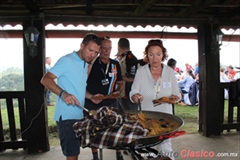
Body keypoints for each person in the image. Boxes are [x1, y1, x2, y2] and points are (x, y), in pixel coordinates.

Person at [40, 33, 102, 160]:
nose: (93, 54)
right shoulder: (67, 60)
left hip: (78, 115)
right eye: (90, 50)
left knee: (75, 153)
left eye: (96, 52)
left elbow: (78, 87)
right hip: (67, 117)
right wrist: (63, 94)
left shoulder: (85, 63)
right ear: (82, 46)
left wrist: (91, 97)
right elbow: (45, 80)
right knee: (72, 156)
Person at [129, 39, 181, 160]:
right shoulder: (141, 72)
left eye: (158, 54)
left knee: (166, 149)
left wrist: (175, 98)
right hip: (146, 117)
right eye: (151, 54)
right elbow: (133, 91)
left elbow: (177, 94)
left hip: (166, 118)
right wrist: (135, 96)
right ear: (147, 55)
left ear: (163, 55)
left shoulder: (169, 72)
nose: (155, 58)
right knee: (146, 150)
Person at [85, 37, 124, 160]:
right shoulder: (91, 63)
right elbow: (82, 82)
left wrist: (118, 90)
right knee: (94, 129)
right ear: (99, 49)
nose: (106, 51)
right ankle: (95, 155)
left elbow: (121, 81)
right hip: (92, 101)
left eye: (109, 48)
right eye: (104, 48)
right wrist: (91, 97)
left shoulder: (115, 64)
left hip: (111, 101)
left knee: (116, 127)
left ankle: (118, 154)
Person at [117, 38, 138, 112]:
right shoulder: (123, 57)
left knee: (131, 115)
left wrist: (119, 77)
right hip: (122, 94)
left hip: (129, 94)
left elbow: (133, 77)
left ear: (118, 47)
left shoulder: (130, 58)